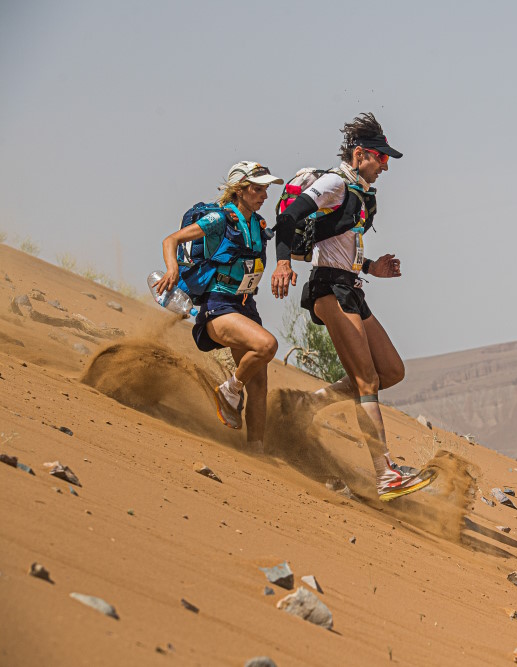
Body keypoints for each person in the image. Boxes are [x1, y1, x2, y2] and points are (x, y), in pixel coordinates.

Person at [271, 113, 435, 502]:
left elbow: (340, 248)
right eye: (381, 158)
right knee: (366, 381)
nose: (385, 166)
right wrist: (281, 262)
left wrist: (372, 268)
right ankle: (385, 474)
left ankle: (310, 405)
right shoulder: (333, 183)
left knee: (390, 371)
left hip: (350, 287)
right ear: (360, 154)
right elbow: (288, 219)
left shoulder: (362, 195)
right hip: (328, 289)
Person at [154, 161, 283, 450]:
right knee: (266, 346)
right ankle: (228, 390)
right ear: (239, 190)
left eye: (265, 189)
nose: (264, 195)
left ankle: (256, 452)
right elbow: (170, 240)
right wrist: (172, 269)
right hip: (218, 305)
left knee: (260, 385)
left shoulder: (256, 223)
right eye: (257, 189)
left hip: (245, 304)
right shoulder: (220, 219)